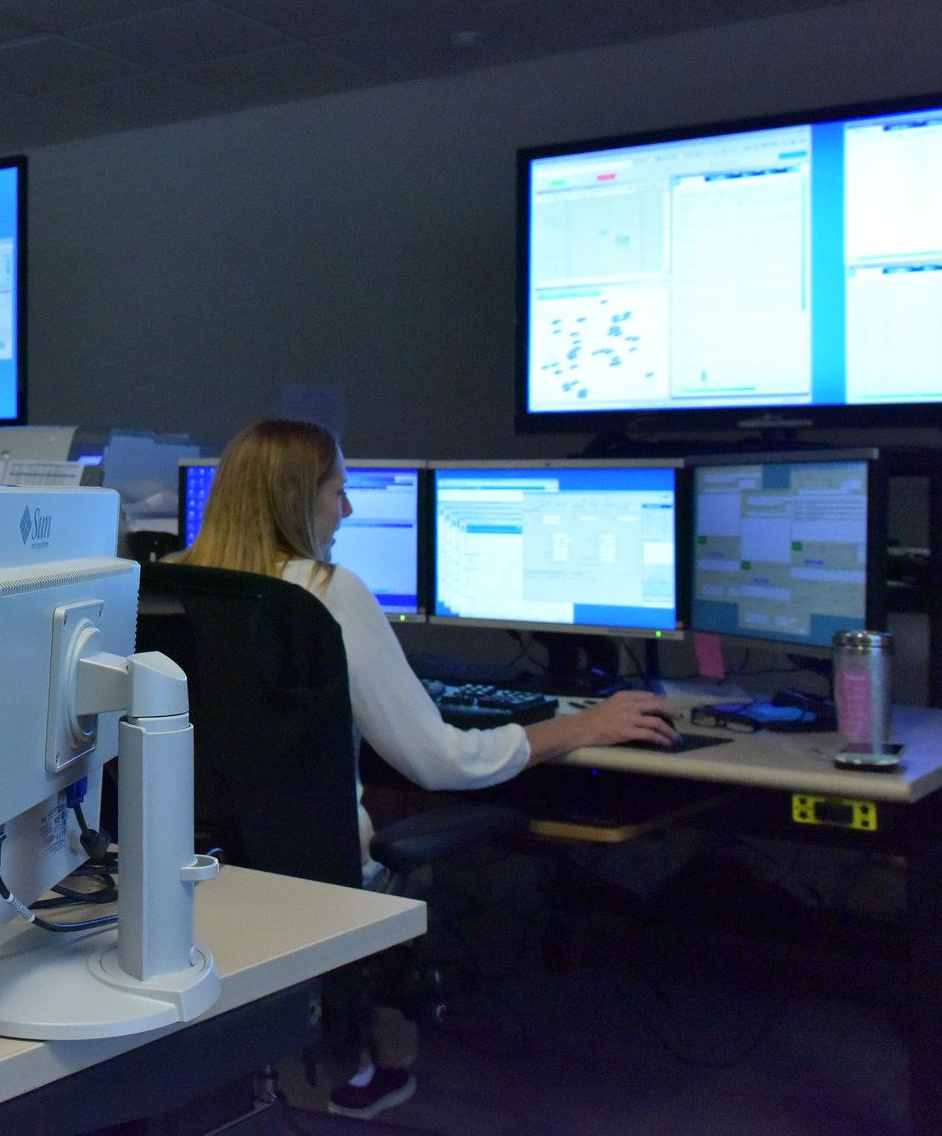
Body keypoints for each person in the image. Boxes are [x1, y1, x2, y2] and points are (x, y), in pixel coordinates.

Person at [176, 419, 679, 1118]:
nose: (346, 511)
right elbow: (437, 758)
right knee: (408, 831)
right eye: (337, 492)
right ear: (297, 499)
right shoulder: (325, 588)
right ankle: (362, 1044)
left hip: (199, 874)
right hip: (314, 870)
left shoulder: (168, 586)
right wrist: (580, 726)